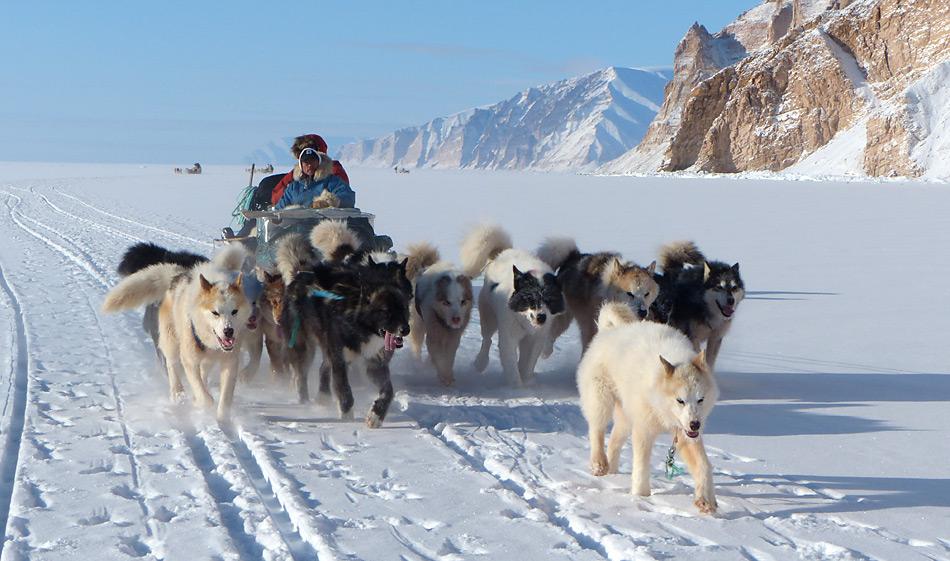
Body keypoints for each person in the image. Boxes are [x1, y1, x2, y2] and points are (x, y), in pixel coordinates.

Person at [270, 134, 350, 206]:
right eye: (305, 160)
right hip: (296, 220)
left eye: (312, 160)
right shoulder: (295, 182)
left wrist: (328, 201)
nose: (309, 165)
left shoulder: (333, 174)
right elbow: (277, 198)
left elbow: (345, 196)